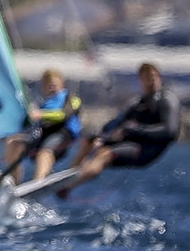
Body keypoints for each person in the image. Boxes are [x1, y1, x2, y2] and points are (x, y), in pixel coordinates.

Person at [57, 62, 180, 198]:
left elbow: (170, 131)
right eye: (147, 77)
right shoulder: (137, 103)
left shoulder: (167, 100)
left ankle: (68, 187)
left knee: (104, 154)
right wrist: (99, 134)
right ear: (141, 80)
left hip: (147, 149)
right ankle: (68, 176)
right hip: (130, 143)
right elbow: (116, 122)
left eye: (153, 77)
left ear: (159, 77)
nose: (150, 81)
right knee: (89, 142)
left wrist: (136, 129)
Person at [2, 68, 82, 183]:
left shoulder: (72, 99)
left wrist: (41, 114)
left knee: (44, 152)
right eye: (48, 85)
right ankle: (14, 182)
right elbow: (28, 122)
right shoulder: (45, 104)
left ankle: (38, 182)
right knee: (13, 143)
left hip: (63, 133)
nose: (51, 87)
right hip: (44, 134)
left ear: (62, 84)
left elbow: (64, 114)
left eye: (54, 84)